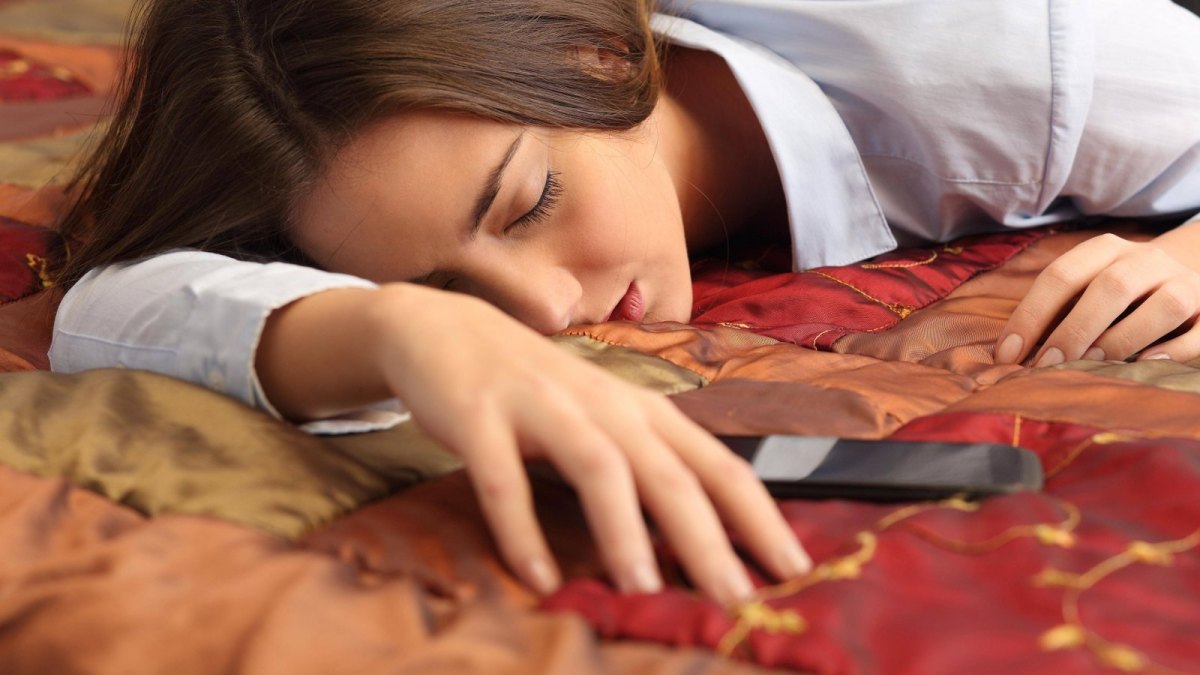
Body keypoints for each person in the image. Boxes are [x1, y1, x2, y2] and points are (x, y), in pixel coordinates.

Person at [49, 0, 1200, 606]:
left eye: (528, 204)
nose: (544, 314)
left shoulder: (1036, 70)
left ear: (601, 55)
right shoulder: (370, 161)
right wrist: (401, 328)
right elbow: (108, 303)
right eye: (452, 285)